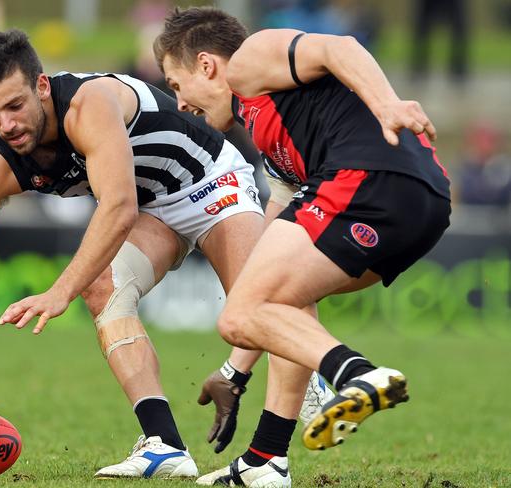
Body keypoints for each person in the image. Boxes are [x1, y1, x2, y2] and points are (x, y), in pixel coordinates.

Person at [0, 29, 329, 480]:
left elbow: (117, 208)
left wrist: (59, 291)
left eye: (15, 106)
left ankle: (284, 436)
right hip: (154, 207)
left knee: (260, 307)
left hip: (210, 180)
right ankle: (164, 445)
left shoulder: (87, 103)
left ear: (41, 86)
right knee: (103, 288)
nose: (6, 124)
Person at [154, 7, 451, 486]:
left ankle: (356, 374)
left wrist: (386, 105)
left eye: (175, 83)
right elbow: (265, 278)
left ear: (207, 65)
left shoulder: (248, 62)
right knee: (277, 302)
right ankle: (265, 461)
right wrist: (235, 373)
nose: (181, 103)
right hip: (425, 203)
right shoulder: (279, 143)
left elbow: (341, 47)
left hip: (368, 177)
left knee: (236, 315)